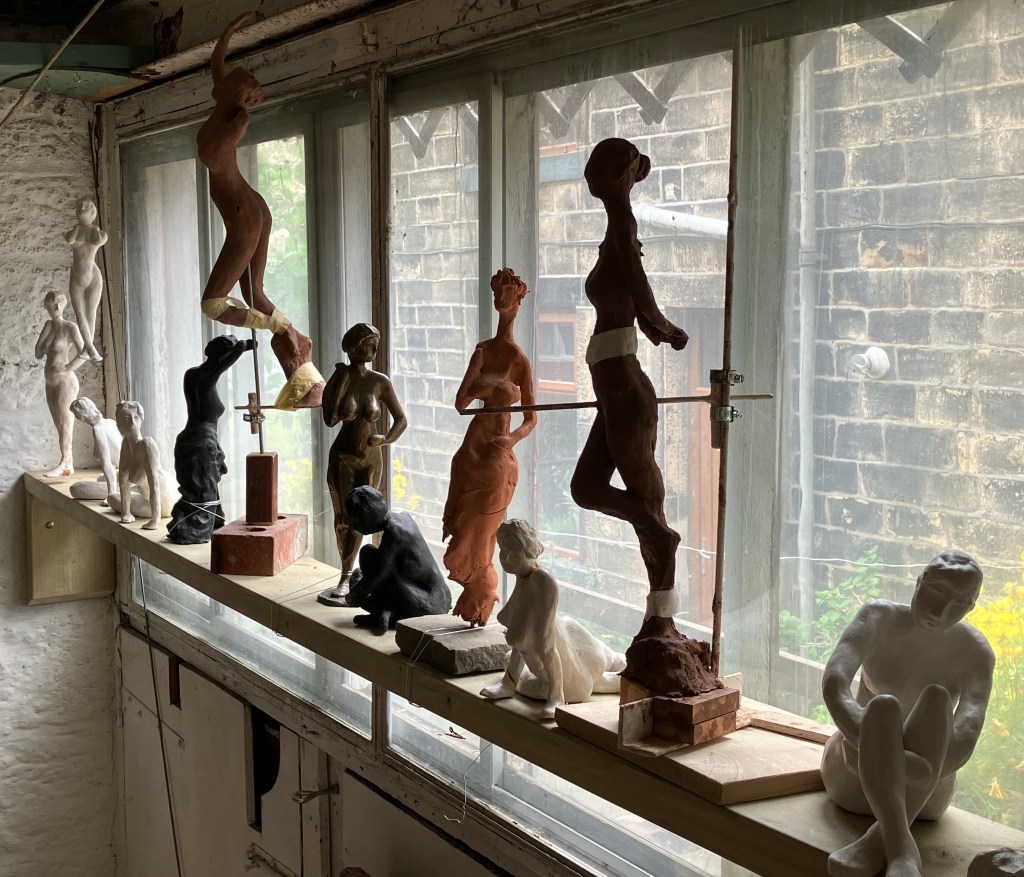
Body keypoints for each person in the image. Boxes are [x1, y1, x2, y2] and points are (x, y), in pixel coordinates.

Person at [821, 550, 995, 877]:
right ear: (919, 582)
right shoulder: (877, 618)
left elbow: (966, 732)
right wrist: (868, 744)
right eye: (937, 592)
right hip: (854, 772)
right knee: (883, 706)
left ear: (970, 608)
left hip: (926, 789)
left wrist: (891, 763)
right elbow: (835, 683)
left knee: (937, 701)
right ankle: (901, 850)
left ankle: (882, 841)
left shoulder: (975, 650)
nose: (941, 611)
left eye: (959, 603)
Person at [569, 138, 688, 613]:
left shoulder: (622, 220)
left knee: (644, 503)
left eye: (599, 170)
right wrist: (652, 326)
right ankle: (657, 539)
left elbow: (639, 287)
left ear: (618, 173)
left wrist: (665, 327)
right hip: (613, 391)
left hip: (624, 389)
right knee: (586, 489)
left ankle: (662, 601)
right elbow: (630, 295)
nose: (591, 179)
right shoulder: (616, 226)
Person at [196, 13, 323, 409]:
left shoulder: (233, 123)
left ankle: (282, 329)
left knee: (214, 304)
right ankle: (305, 370)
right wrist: (229, 29)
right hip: (251, 208)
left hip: (244, 217)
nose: (223, 86)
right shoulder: (225, 104)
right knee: (253, 293)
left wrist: (238, 105)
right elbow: (217, 66)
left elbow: (217, 144)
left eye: (240, 90)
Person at [443, 268, 537, 626]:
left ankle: (481, 594)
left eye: (506, 294)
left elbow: (531, 418)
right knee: (463, 526)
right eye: (496, 294)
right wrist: (496, 385)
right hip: (474, 446)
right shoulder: (483, 351)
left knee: (483, 532)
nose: (500, 300)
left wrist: (512, 439)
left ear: (518, 300)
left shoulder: (520, 359)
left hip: (498, 451)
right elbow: (461, 402)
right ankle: (474, 591)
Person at [481, 520, 625, 718]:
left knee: (597, 670)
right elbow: (519, 640)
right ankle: (511, 684)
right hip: (559, 659)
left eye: (513, 552)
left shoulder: (543, 581)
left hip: (569, 669)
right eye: (503, 550)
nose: (506, 558)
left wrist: (556, 697)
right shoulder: (524, 578)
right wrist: (508, 684)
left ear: (527, 550)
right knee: (513, 662)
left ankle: (558, 694)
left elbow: (547, 645)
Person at [319, 323, 408, 605]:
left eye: (376, 343)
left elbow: (401, 419)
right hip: (342, 458)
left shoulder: (380, 381)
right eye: (369, 343)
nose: (374, 349)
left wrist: (386, 439)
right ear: (353, 345)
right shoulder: (340, 377)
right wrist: (342, 379)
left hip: (370, 459)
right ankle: (345, 574)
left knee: (368, 517)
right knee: (344, 518)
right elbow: (330, 419)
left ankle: (374, 576)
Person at [167, 335, 253, 544]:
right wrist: (242, 347)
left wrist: (240, 348)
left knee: (203, 487)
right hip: (202, 441)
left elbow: (219, 366)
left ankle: (210, 522)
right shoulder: (206, 377)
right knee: (203, 489)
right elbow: (221, 366)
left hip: (193, 436)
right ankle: (196, 529)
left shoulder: (191, 374)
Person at [35, 291, 88, 477]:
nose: (49, 309)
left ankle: (64, 461)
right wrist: (47, 331)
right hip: (50, 380)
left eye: (50, 305)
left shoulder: (70, 327)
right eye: (47, 305)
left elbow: (85, 353)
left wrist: (66, 368)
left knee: (65, 423)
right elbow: (38, 353)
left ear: (58, 306)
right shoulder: (49, 326)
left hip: (65, 381)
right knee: (59, 424)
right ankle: (68, 462)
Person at [65, 198, 107, 362]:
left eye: (85, 206)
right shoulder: (76, 230)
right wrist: (78, 228)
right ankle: (88, 348)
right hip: (76, 277)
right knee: (80, 314)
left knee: (90, 312)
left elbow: (99, 240)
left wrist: (94, 229)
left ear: (92, 211)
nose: (82, 208)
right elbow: (69, 240)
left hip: (92, 277)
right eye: (79, 206)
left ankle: (88, 349)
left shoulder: (96, 231)